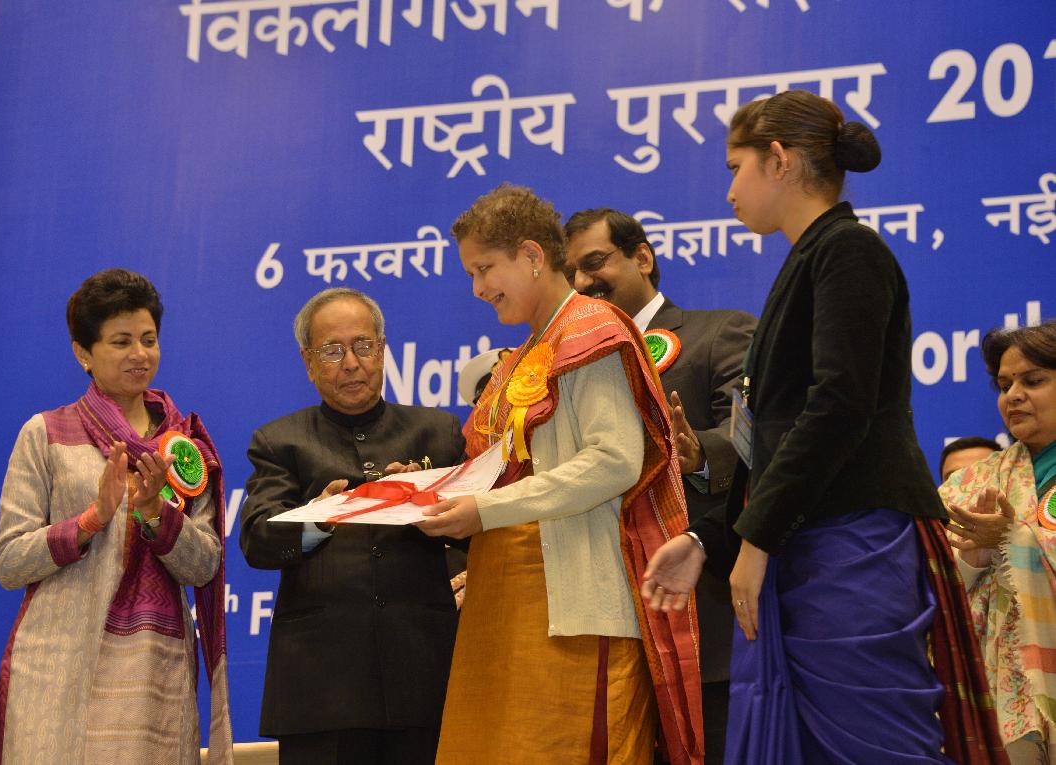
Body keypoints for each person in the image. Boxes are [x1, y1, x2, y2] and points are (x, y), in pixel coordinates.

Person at [641, 89, 1006, 764]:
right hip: (806, 536)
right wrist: (709, 538)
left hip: (850, 538)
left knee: (872, 745)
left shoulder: (848, 251)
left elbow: (838, 408)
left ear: (779, 160)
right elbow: (770, 438)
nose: (729, 191)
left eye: (736, 168)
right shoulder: (810, 257)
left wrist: (758, 538)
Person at [421, 184, 702, 765]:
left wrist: (484, 510)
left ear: (531, 255)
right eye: (471, 274)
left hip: (576, 609)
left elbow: (614, 461)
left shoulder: (590, 329)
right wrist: (426, 489)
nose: (477, 289)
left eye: (484, 269)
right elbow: (510, 469)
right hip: (511, 600)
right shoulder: (530, 349)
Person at [0, 269, 233, 765]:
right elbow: (8, 562)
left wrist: (154, 513)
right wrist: (91, 520)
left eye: (148, 339)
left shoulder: (183, 448)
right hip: (57, 667)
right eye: (121, 342)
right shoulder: (45, 434)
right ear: (84, 353)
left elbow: (204, 566)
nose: (140, 354)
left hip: (152, 671)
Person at [238, 287, 465, 765]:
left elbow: (474, 533)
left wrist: (428, 504)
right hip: (322, 683)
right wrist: (319, 518)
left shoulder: (438, 433)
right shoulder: (280, 441)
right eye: (332, 350)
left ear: (382, 350)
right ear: (308, 362)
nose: (351, 363)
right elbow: (258, 539)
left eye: (363, 346)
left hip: (424, 672)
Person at [564, 208, 755, 765]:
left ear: (642, 257)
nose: (582, 282)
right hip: (606, 629)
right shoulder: (567, 365)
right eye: (571, 271)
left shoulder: (718, 332)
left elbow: (757, 434)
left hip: (698, 611)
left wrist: (699, 454)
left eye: (594, 263)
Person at [940, 321, 1056, 764]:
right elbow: (924, 583)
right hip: (999, 697)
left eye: (1033, 381)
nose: (1013, 396)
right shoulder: (972, 482)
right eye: (1005, 386)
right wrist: (973, 558)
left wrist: (1013, 538)